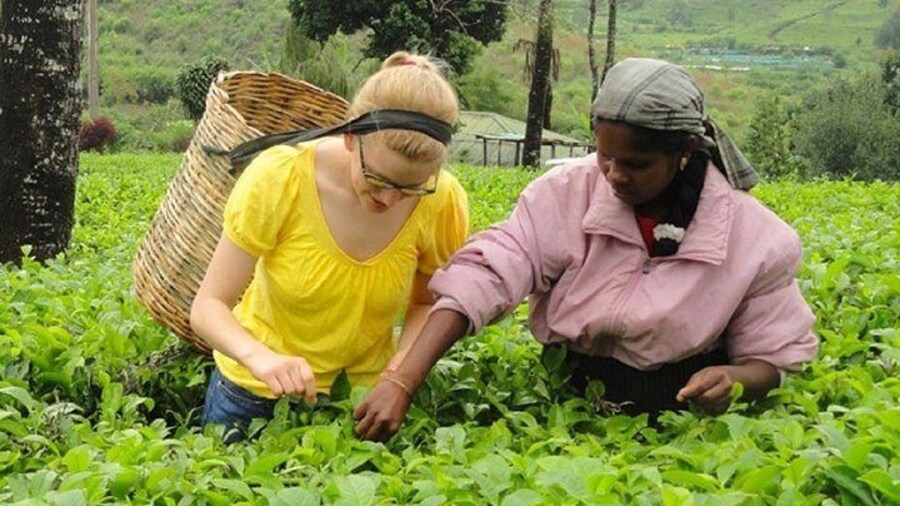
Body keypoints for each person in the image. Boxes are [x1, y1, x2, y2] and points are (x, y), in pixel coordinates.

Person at [354, 57, 819, 441]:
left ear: (683, 152)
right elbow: (489, 273)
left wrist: (737, 380)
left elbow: (774, 357)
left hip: (682, 422)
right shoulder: (563, 194)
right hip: (564, 396)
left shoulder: (755, 238)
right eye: (605, 156)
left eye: (636, 164)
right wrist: (402, 379)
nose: (614, 175)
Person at [191, 51, 469, 437]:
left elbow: (426, 302)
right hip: (253, 396)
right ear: (351, 138)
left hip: (362, 403)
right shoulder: (280, 178)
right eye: (378, 180)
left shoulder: (442, 200)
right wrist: (263, 360)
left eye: (410, 189)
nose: (389, 200)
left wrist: (402, 369)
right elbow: (207, 307)